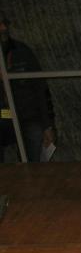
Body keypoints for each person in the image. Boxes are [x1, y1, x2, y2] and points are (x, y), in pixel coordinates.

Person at [0, 10, 55, 162]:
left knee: (35, 133)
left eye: (5, 23)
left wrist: (48, 126)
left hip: (26, 116)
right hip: (3, 116)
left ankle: (31, 172)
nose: (3, 28)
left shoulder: (22, 51)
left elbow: (40, 88)